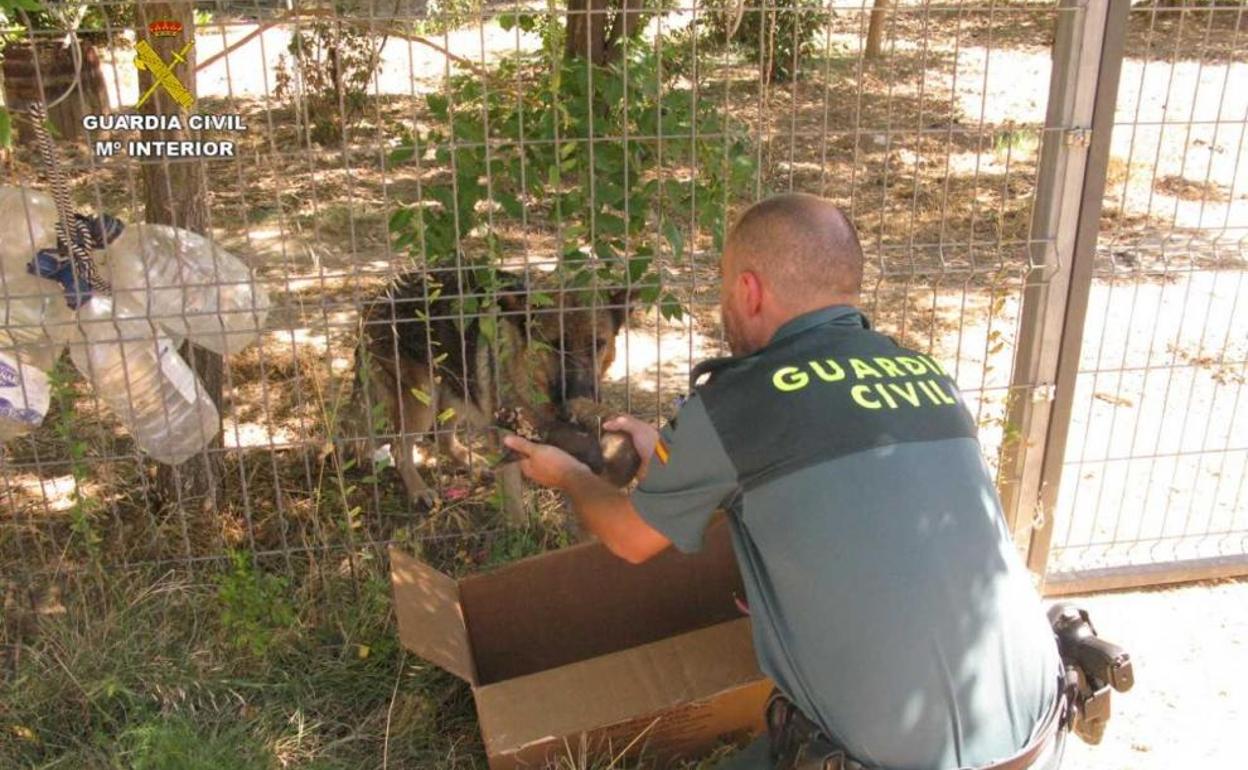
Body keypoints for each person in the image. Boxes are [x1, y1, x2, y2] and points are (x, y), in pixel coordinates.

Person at [503, 193, 1064, 770]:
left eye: (723, 290)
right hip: (1041, 728)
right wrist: (675, 458)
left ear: (749, 291)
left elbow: (628, 536)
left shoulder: (737, 402)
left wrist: (567, 473)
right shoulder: (928, 376)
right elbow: (816, 494)